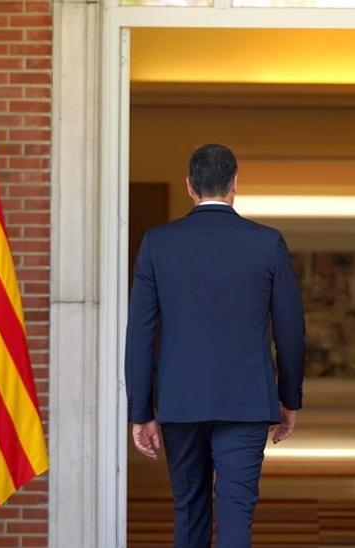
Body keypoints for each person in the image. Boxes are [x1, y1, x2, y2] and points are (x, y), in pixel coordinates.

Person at [125, 143, 306, 548]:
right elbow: (291, 330)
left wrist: (141, 411)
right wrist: (289, 398)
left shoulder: (158, 243)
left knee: (189, 510)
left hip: (180, 401)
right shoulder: (267, 243)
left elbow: (139, 330)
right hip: (246, 402)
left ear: (189, 186)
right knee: (237, 512)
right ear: (235, 185)